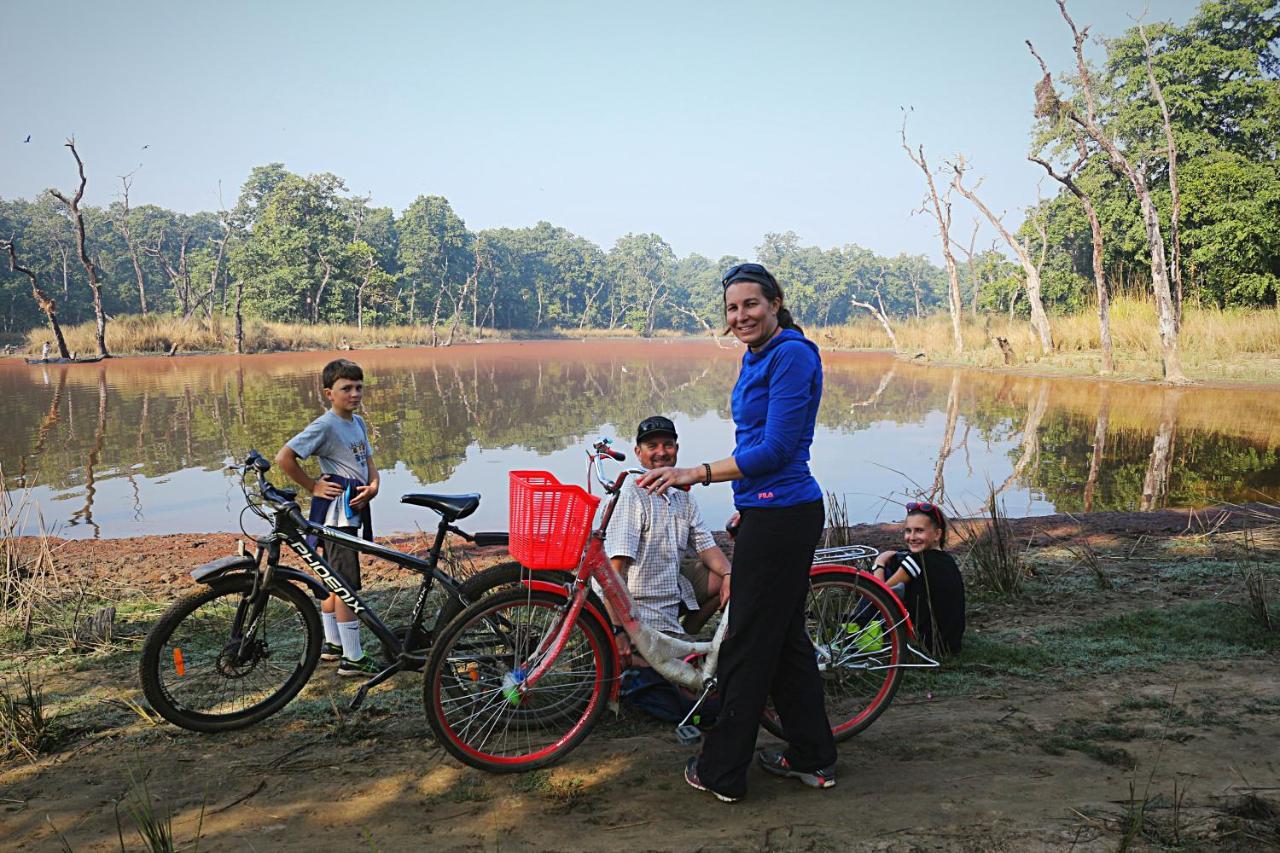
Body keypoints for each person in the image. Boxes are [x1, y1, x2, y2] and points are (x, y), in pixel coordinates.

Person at [639, 262, 836, 802]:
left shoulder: (792, 355)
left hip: (786, 517)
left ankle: (722, 771)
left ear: (774, 302)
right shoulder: (759, 356)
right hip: (767, 513)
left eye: (751, 304)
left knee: (746, 646)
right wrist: (747, 505)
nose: (741, 315)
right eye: (732, 307)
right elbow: (760, 444)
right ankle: (814, 756)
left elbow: (774, 451)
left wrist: (694, 473)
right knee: (785, 640)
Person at [601, 415, 732, 722]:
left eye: (667, 445)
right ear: (638, 453)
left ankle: (682, 640)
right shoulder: (632, 495)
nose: (661, 452)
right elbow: (614, 572)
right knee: (688, 693)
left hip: (670, 591)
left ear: (676, 449)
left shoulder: (682, 496)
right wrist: (618, 630)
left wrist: (728, 575)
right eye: (652, 446)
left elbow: (707, 546)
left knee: (723, 576)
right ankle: (641, 656)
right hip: (637, 606)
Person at [276, 358, 381, 676]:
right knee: (345, 586)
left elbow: (368, 460)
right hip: (337, 515)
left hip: (352, 508)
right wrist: (312, 485)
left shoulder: (358, 423)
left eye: (358, 387)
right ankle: (354, 657)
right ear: (328, 393)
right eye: (346, 388)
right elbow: (285, 457)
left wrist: (374, 485)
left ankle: (333, 644)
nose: (354, 394)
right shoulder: (326, 425)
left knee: (332, 581)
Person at [872, 501, 966, 656]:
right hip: (950, 645)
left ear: (937, 534)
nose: (912, 537)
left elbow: (878, 595)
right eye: (908, 531)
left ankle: (855, 627)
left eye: (919, 531)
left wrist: (879, 563)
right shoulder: (947, 560)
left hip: (926, 646)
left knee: (882, 580)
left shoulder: (917, 561)